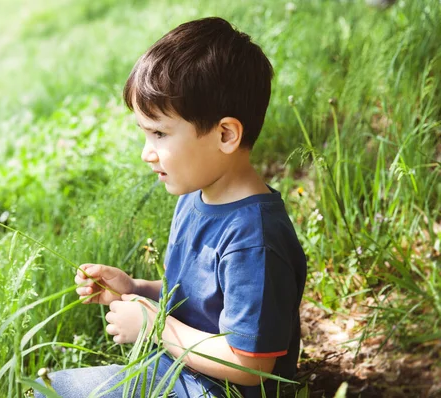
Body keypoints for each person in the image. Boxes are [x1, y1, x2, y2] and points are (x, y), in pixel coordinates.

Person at [35, 16, 306, 398]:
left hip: (213, 390)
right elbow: (203, 300)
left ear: (225, 134)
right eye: (145, 134)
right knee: (46, 389)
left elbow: (250, 364)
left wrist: (155, 329)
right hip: (178, 372)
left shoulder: (253, 238)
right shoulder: (194, 198)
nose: (147, 154)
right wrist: (137, 289)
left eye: (159, 134)